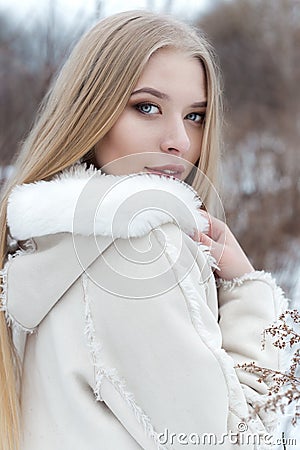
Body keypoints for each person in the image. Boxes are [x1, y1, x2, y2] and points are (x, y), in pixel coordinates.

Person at [0, 10, 288, 450]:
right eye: (147, 107)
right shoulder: (139, 249)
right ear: (90, 112)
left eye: (195, 115)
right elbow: (238, 439)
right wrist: (248, 290)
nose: (180, 141)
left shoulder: (41, 246)